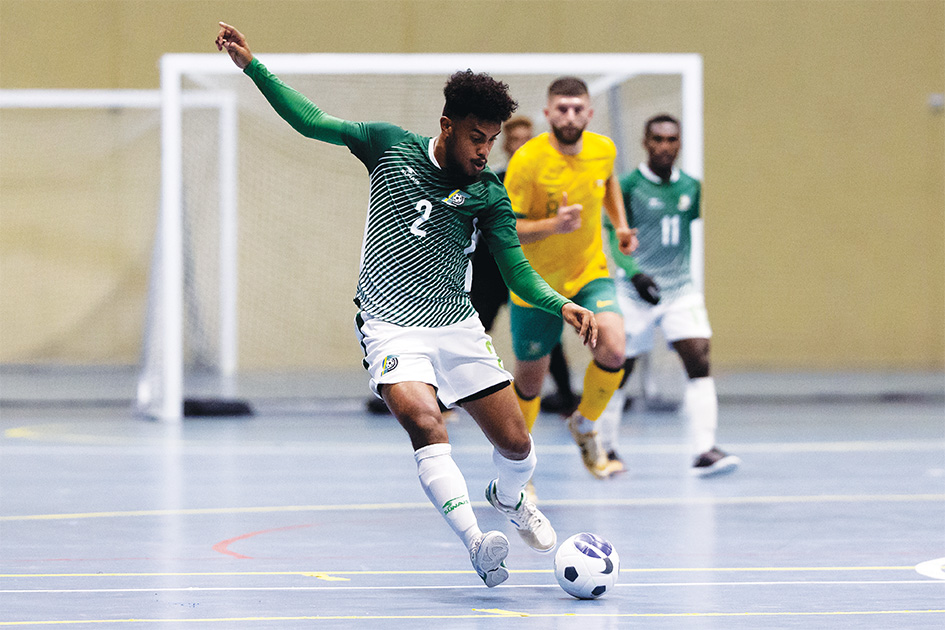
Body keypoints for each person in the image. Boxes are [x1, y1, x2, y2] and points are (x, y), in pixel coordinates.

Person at [216, 23, 600, 587]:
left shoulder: (488, 194)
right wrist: (254, 67)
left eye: (491, 140)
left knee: (518, 445)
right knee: (426, 421)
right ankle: (477, 541)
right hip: (391, 326)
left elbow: (517, 269)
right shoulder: (388, 145)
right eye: (475, 136)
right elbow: (311, 121)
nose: (483, 150)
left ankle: (508, 497)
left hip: (457, 326)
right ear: (447, 126)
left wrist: (560, 302)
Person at [503, 76, 636, 481]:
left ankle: (584, 423)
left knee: (614, 350)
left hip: (588, 273)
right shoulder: (526, 162)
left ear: (589, 113)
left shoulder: (603, 149)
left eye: (578, 108)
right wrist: (553, 226)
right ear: (548, 113)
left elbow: (608, 182)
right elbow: (506, 228)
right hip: (536, 284)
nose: (570, 115)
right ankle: (519, 473)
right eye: (562, 108)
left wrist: (621, 226)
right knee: (530, 382)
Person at [598, 113, 740, 478]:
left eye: (671, 139)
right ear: (645, 143)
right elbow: (615, 236)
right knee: (618, 368)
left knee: (699, 358)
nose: (664, 146)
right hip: (634, 291)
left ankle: (704, 450)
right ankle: (605, 447)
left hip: (679, 290)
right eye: (657, 139)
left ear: (679, 144)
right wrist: (634, 273)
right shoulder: (627, 186)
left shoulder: (692, 187)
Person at [470, 116, 579, 416]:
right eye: (516, 140)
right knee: (473, 328)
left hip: (528, 266)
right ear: (505, 145)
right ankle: (450, 396)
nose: (522, 146)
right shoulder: (489, 180)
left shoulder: (543, 183)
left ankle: (567, 397)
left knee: (545, 332)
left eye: (528, 140)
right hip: (490, 267)